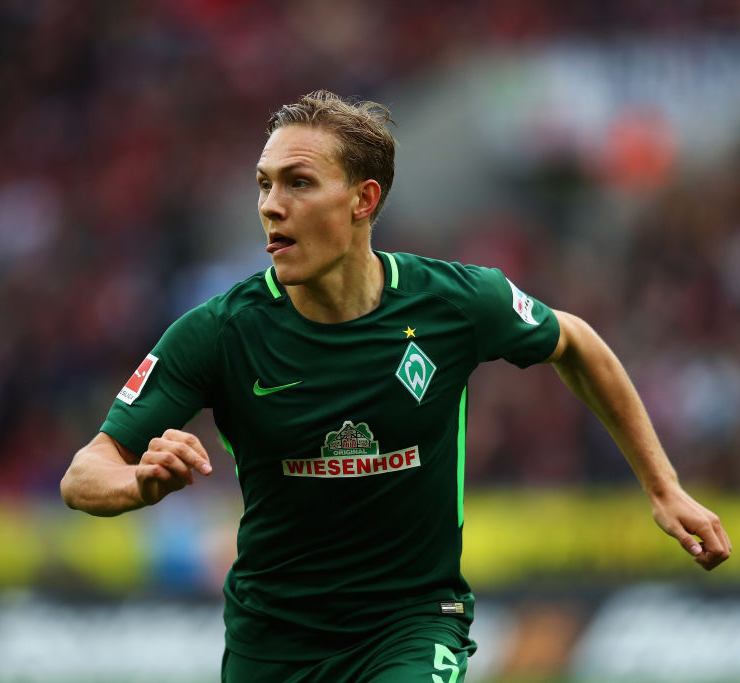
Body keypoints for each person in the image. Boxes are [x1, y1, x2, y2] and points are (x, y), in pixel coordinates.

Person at [60, 90, 731, 682]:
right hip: (274, 644)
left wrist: (663, 487)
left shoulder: (453, 303)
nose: (272, 206)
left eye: (298, 183)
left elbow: (576, 342)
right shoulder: (219, 332)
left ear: (363, 199)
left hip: (413, 624)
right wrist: (138, 484)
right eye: (264, 185)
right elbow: (84, 473)